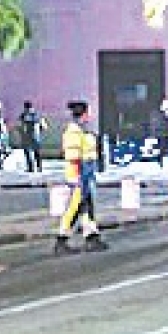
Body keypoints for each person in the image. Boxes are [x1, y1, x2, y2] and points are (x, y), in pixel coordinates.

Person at [54, 101, 108, 253]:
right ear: (82, 114)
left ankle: (92, 236)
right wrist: (78, 177)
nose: (89, 116)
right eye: (87, 113)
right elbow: (73, 157)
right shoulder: (73, 133)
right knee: (75, 207)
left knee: (87, 207)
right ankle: (61, 239)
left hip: (86, 173)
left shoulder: (82, 131)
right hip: (79, 174)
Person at [17, 101, 47, 173]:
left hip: (26, 137)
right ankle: (39, 167)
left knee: (28, 152)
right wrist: (39, 131)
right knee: (37, 152)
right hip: (36, 136)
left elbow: (20, 126)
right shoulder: (37, 115)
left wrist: (21, 132)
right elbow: (44, 126)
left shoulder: (23, 115)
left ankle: (31, 168)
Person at [149, 100, 168, 167]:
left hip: (163, 133)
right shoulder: (158, 114)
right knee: (162, 147)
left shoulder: (162, 114)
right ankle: (160, 159)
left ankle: (161, 159)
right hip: (162, 133)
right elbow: (158, 124)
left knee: (164, 147)